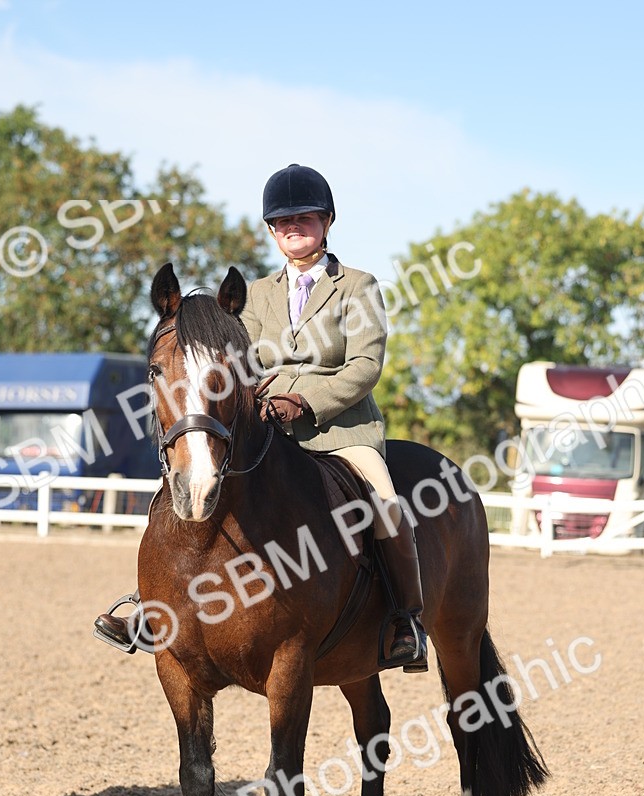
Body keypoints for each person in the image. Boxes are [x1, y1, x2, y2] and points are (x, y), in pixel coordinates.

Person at [93, 163, 427, 671]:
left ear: (328, 222)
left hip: (340, 432)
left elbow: (365, 366)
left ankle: (406, 617)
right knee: (180, 492)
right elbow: (236, 362)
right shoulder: (256, 295)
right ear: (272, 231)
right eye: (284, 221)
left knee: (383, 500)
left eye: (306, 218)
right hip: (269, 430)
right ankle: (152, 607)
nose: (295, 227)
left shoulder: (359, 287)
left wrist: (308, 400)